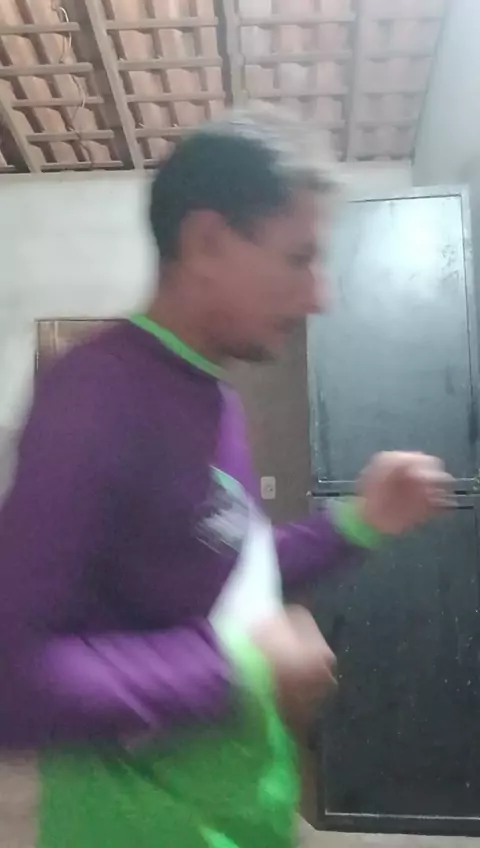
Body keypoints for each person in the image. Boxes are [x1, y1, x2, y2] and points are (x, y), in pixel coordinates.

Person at [0, 110, 451, 848]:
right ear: (208, 242)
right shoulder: (95, 392)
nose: (321, 295)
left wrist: (363, 519)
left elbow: (227, 573)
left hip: (240, 816)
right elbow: (15, 678)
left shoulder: (212, 395)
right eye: (299, 257)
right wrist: (241, 663)